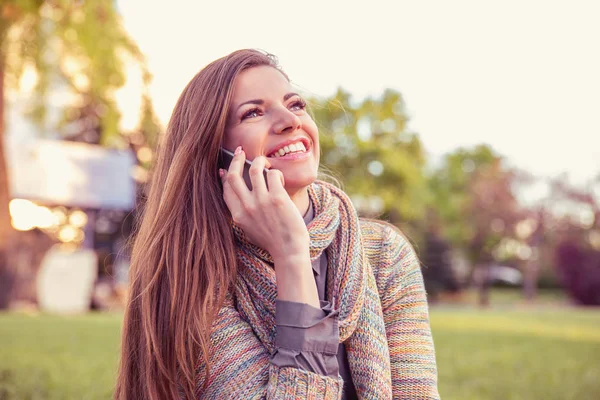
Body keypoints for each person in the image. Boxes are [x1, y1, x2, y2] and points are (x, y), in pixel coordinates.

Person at [114, 49, 439, 400]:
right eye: (253, 112)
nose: (289, 120)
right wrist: (291, 257)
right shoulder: (193, 272)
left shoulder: (385, 253)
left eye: (296, 104)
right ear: (213, 152)